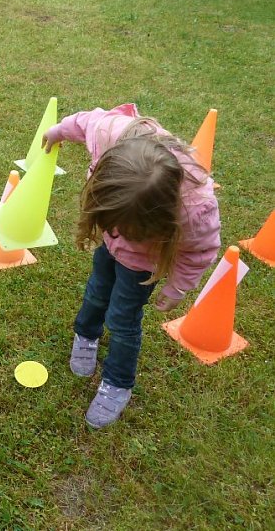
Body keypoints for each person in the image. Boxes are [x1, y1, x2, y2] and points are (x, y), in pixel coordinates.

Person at [42, 104, 220, 429]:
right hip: (109, 248)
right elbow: (85, 122)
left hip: (142, 266)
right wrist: (58, 131)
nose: (124, 231)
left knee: (123, 318)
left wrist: (177, 286)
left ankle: (118, 382)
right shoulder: (111, 134)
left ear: (162, 221)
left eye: (134, 230)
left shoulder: (195, 208)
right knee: (97, 291)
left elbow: (201, 250)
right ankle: (86, 334)